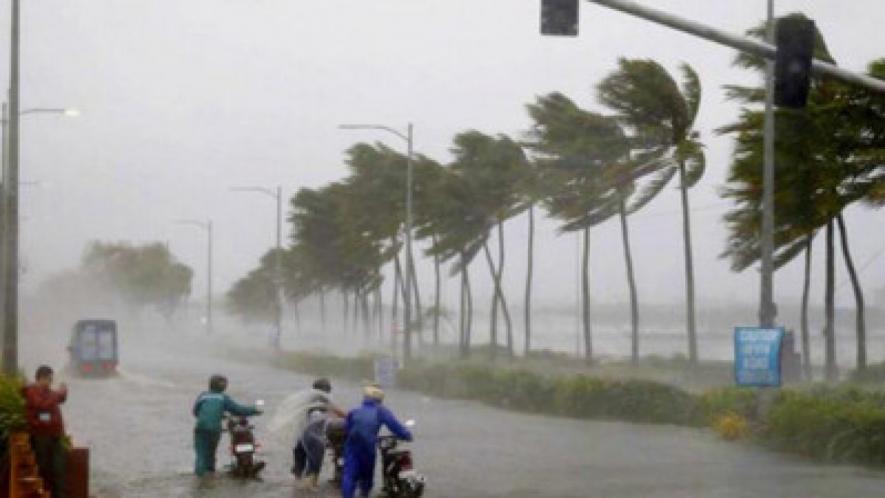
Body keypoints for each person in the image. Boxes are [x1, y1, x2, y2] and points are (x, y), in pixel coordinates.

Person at [341, 384, 412, 498]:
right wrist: (407, 436)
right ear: (380, 399)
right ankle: (364, 494)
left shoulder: (354, 411)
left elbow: (347, 428)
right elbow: (395, 427)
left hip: (352, 446)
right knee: (367, 475)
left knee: (349, 475)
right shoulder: (381, 411)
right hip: (368, 447)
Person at [192, 374, 262, 477]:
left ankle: (200, 478)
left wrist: (216, 415)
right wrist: (254, 410)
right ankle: (210, 475)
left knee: (201, 454)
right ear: (224, 387)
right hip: (214, 429)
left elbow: (195, 412)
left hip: (200, 428)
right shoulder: (223, 398)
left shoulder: (202, 396)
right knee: (211, 453)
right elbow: (238, 410)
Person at [23, 365, 68, 498]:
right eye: (48, 379)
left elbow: (61, 398)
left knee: (59, 470)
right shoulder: (32, 392)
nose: (49, 382)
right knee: (44, 469)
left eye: (51, 379)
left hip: (55, 434)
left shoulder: (49, 393)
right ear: (39, 379)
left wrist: (63, 390)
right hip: (41, 436)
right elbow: (42, 405)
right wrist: (59, 393)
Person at [291, 377, 345, 488]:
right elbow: (337, 412)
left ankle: (297, 482)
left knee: (299, 458)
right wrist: (351, 416)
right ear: (326, 390)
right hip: (314, 437)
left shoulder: (307, 399)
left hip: (302, 435)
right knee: (314, 463)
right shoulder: (323, 400)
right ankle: (310, 487)